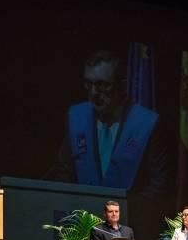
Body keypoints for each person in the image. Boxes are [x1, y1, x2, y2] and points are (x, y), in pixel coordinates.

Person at [51, 50, 167, 197]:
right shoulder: (76, 117)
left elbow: (159, 185)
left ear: (122, 84)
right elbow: (63, 173)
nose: (93, 93)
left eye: (103, 85)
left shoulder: (146, 123)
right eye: (89, 84)